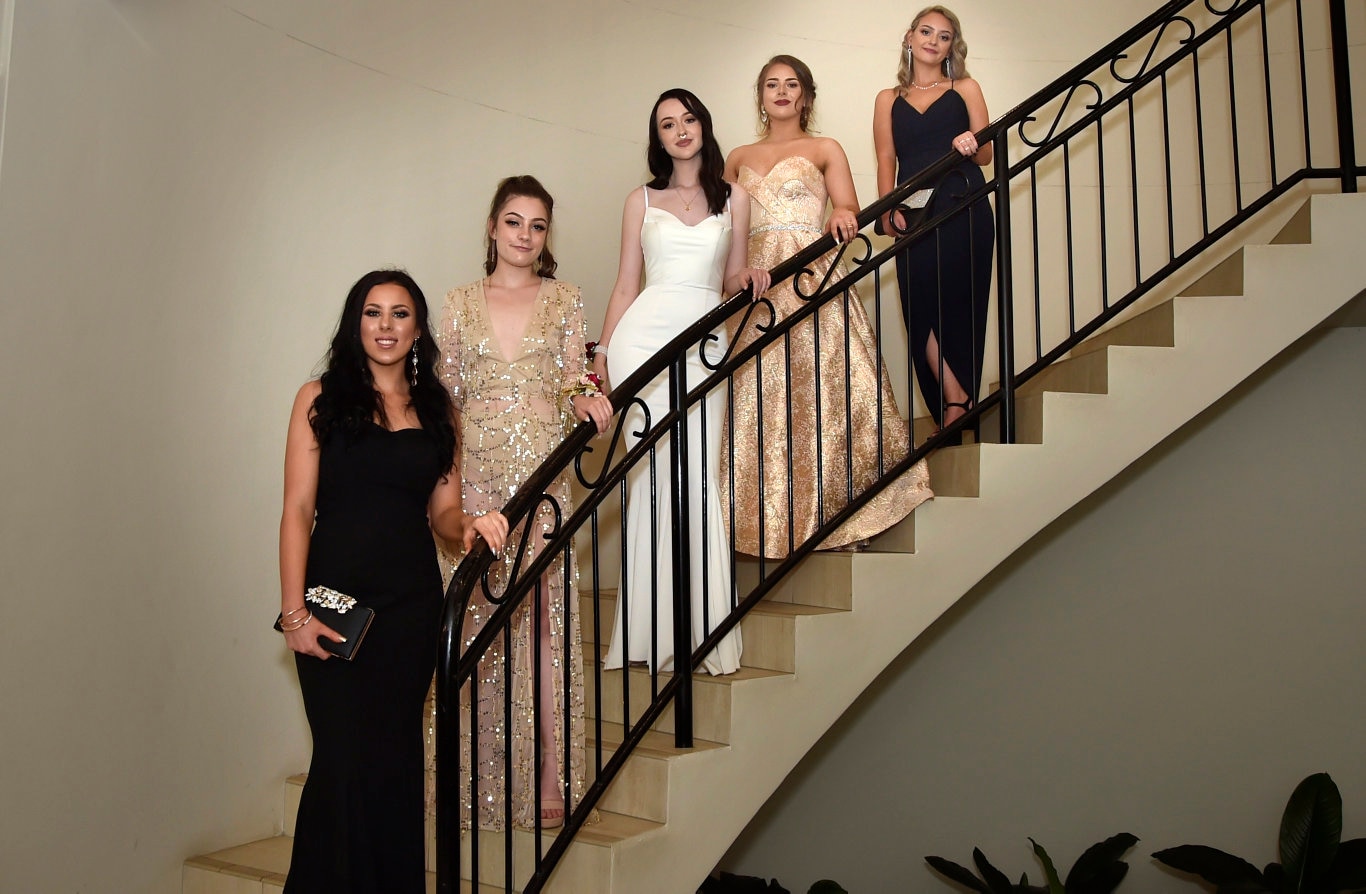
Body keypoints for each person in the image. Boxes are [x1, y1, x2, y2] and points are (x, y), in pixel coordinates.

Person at [278, 269, 506, 893]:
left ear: (417, 327)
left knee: (395, 766)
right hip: (332, 608)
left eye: (399, 314)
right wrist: (293, 614)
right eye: (373, 313)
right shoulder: (318, 398)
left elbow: (442, 514)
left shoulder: (439, 410)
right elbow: (298, 509)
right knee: (342, 765)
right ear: (357, 323)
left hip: (408, 612)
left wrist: (471, 525)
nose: (386, 326)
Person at [438, 176, 611, 830]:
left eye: (537, 226)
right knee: (480, 622)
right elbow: (446, 403)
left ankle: (551, 781)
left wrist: (585, 396)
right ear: (492, 227)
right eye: (514, 222)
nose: (525, 235)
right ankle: (479, 783)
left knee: (545, 621)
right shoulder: (457, 303)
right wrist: (449, 487)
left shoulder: (565, 299)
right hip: (477, 477)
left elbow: (572, 376)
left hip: (542, 475)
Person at [723, 55, 932, 557]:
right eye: (771, 84)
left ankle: (834, 516)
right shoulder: (735, 156)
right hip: (754, 285)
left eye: (790, 84)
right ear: (761, 95)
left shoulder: (824, 147)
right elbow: (721, 225)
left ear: (805, 96)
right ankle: (765, 523)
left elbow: (848, 207)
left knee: (823, 393)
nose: (781, 92)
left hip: (811, 275)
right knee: (758, 400)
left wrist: (840, 213)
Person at [592, 88, 770, 676]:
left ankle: (700, 632)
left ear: (703, 125)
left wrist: (754, 276)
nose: (681, 130)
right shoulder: (638, 200)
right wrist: (601, 354)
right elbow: (625, 283)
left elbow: (733, 275)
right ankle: (645, 636)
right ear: (658, 138)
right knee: (648, 483)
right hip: (642, 340)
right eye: (668, 124)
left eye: (688, 118)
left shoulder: (736, 197)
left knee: (696, 474)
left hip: (705, 343)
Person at [874, 5, 995, 434]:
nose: (932, 40)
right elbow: (886, 158)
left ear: (951, 46)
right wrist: (886, 210)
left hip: (963, 203)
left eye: (943, 36)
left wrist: (971, 141)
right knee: (919, 305)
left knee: (961, 301)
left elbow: (986, 154)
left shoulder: (966, 87)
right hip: (914, 214)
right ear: (909, 37)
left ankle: (957, 401)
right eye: (925, 32)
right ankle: (954, 395)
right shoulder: (888, 98)